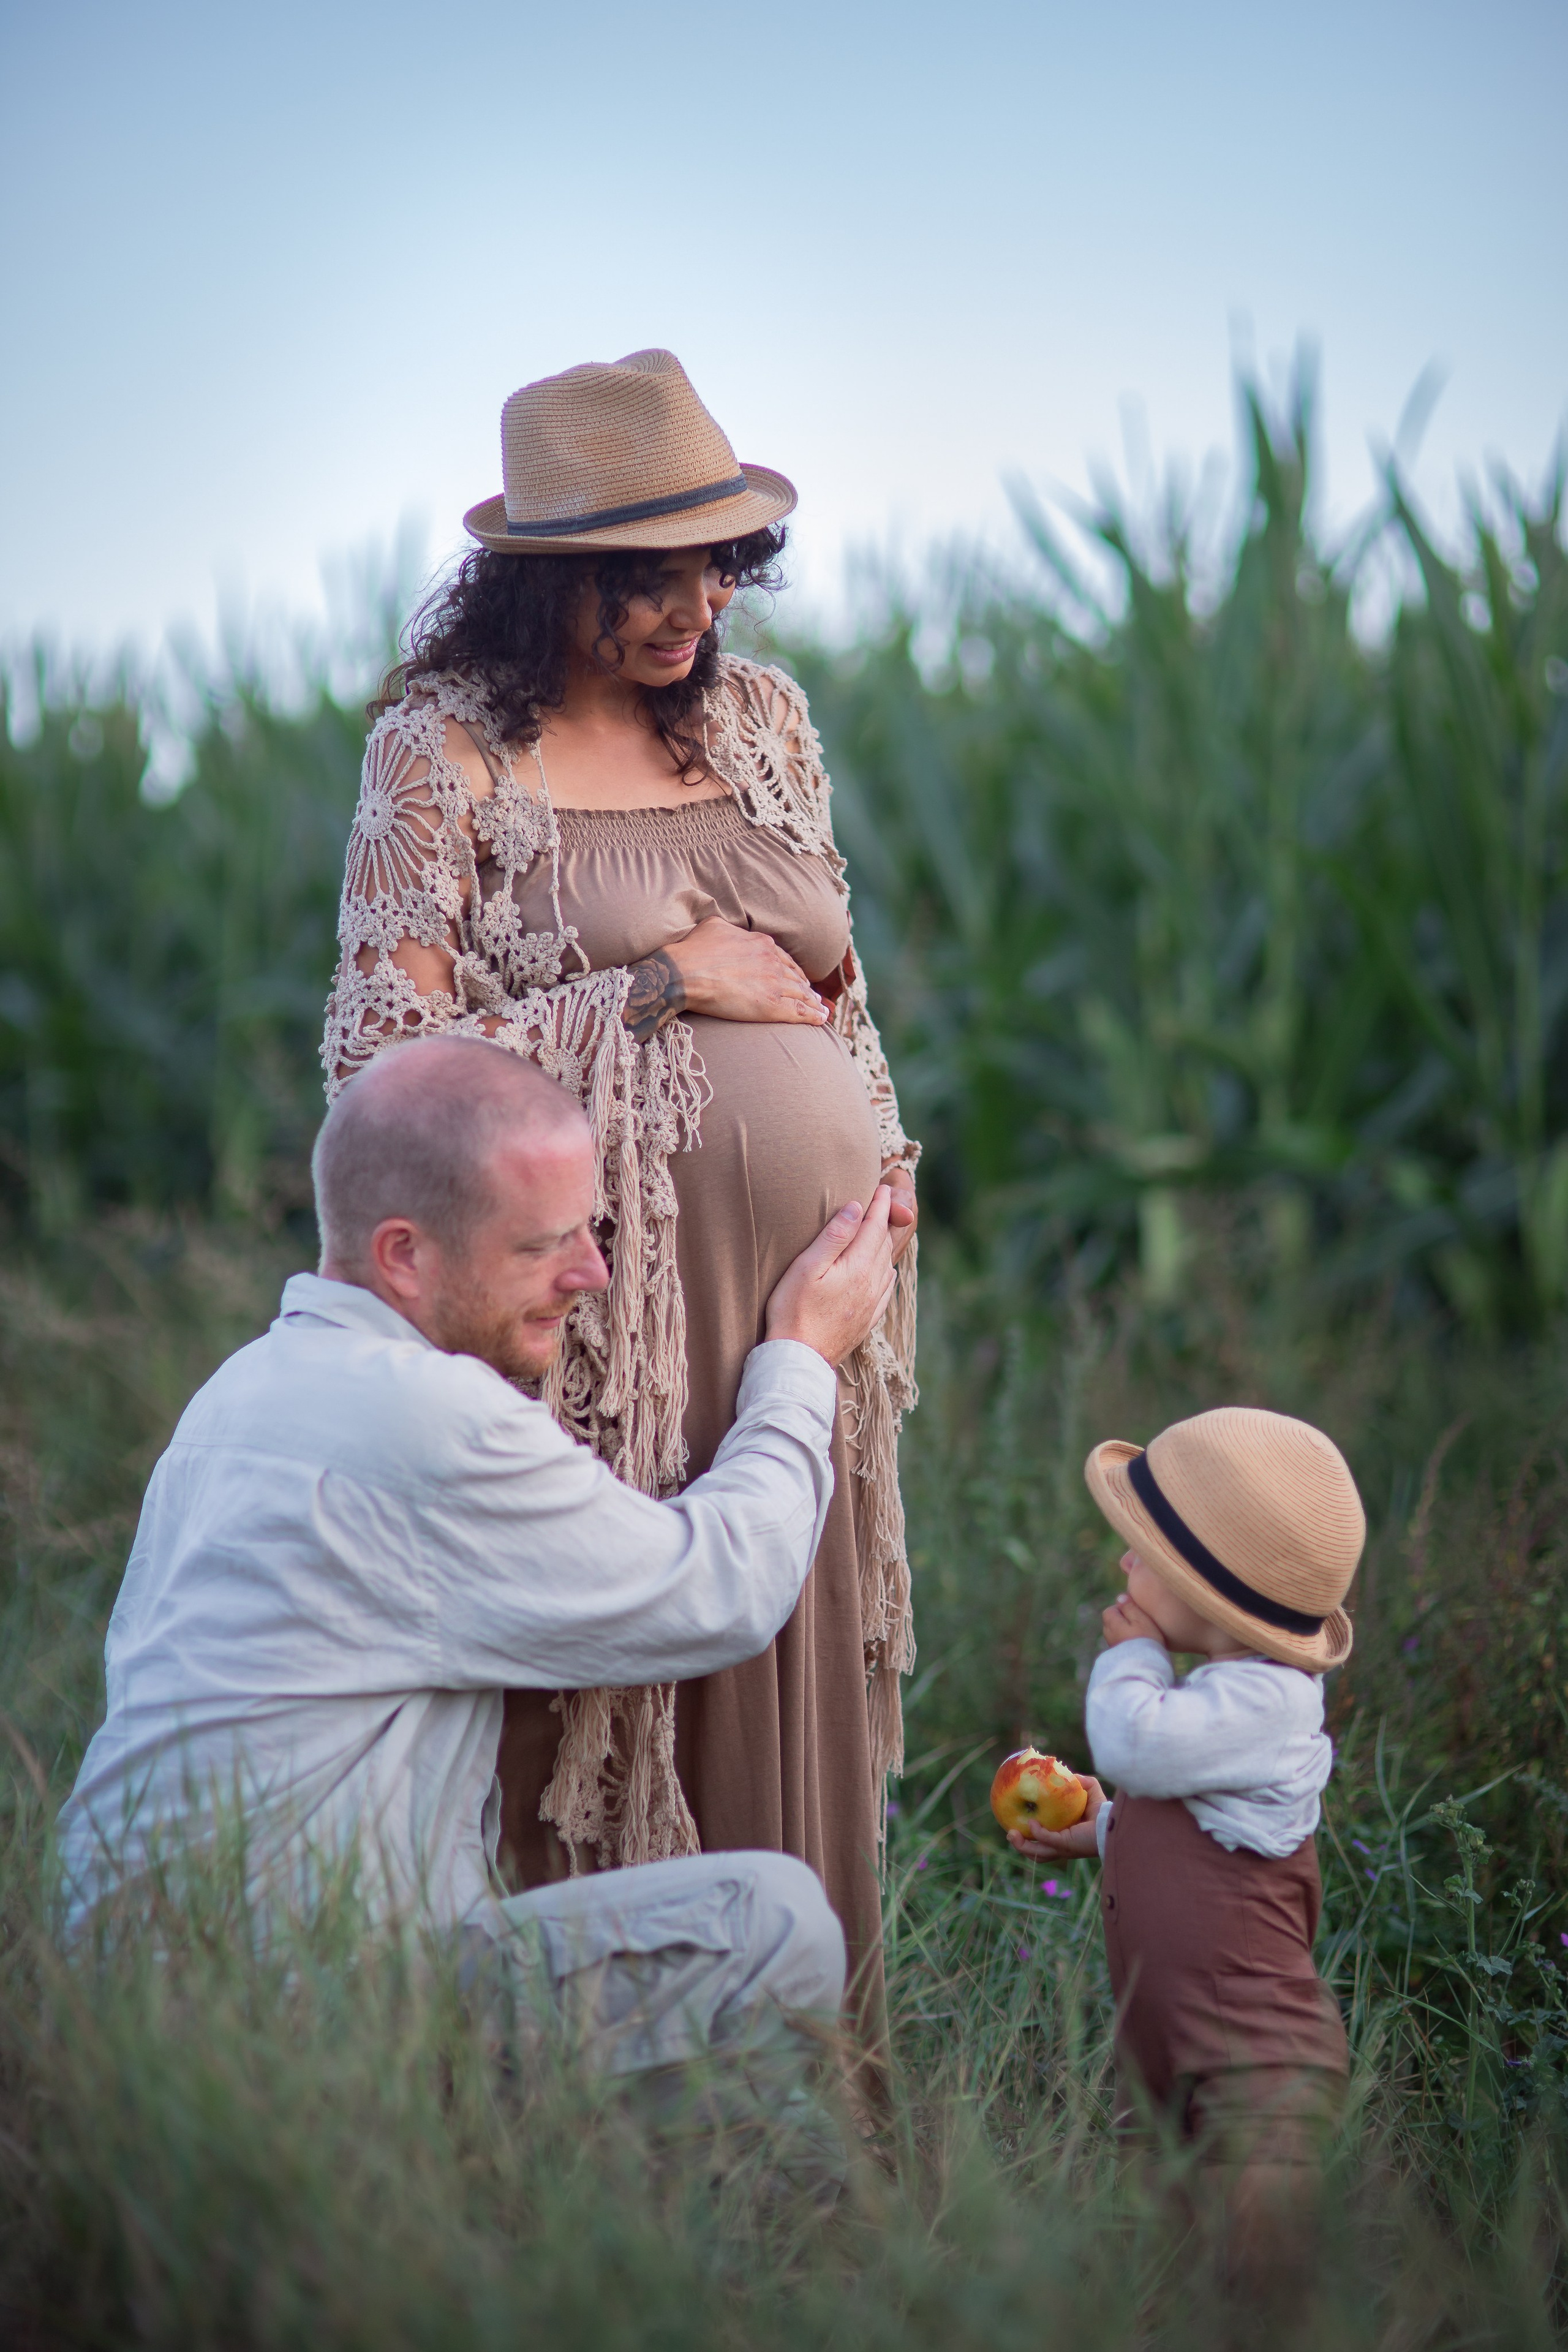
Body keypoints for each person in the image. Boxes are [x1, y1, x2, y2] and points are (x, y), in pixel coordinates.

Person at [320, 347, 918, 2040]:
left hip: (804, 1285)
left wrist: (879, 1153)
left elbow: (837, 982)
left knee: (784, 1656)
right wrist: (651, 996)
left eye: (718, 563)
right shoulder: (440, 754)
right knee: (625, 1670)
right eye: (648, 576)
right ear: (548, 586)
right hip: (586, 1314)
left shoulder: (760, 716)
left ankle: (819, 2112)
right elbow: (381, 1059)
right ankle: (603, 2119)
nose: (694, 606)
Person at [56, 1038, 902, 2100]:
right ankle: (748, 2257)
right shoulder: (424, 1419)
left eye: (592, 1232)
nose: (592, 1275)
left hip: (121, 2000)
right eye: (543, 1246)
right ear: (405, 1255)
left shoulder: (237, 1395)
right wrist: (800, 1361)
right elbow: (718, 1591)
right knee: (770, 1924)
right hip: (293, 2017)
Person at [1005, 1406, 1362, 2285]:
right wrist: (1101, 1829)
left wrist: (1135, 1660)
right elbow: (1200, 1829)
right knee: (1168, 2270)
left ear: (1213, 1595)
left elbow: (1135, 1748)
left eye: (1144, 1551)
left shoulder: (1270, 1704)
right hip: (1165, 2043)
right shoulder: (1225, 1699)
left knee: (1259, 2277)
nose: (1125, 1561)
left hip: (1254, 2054)